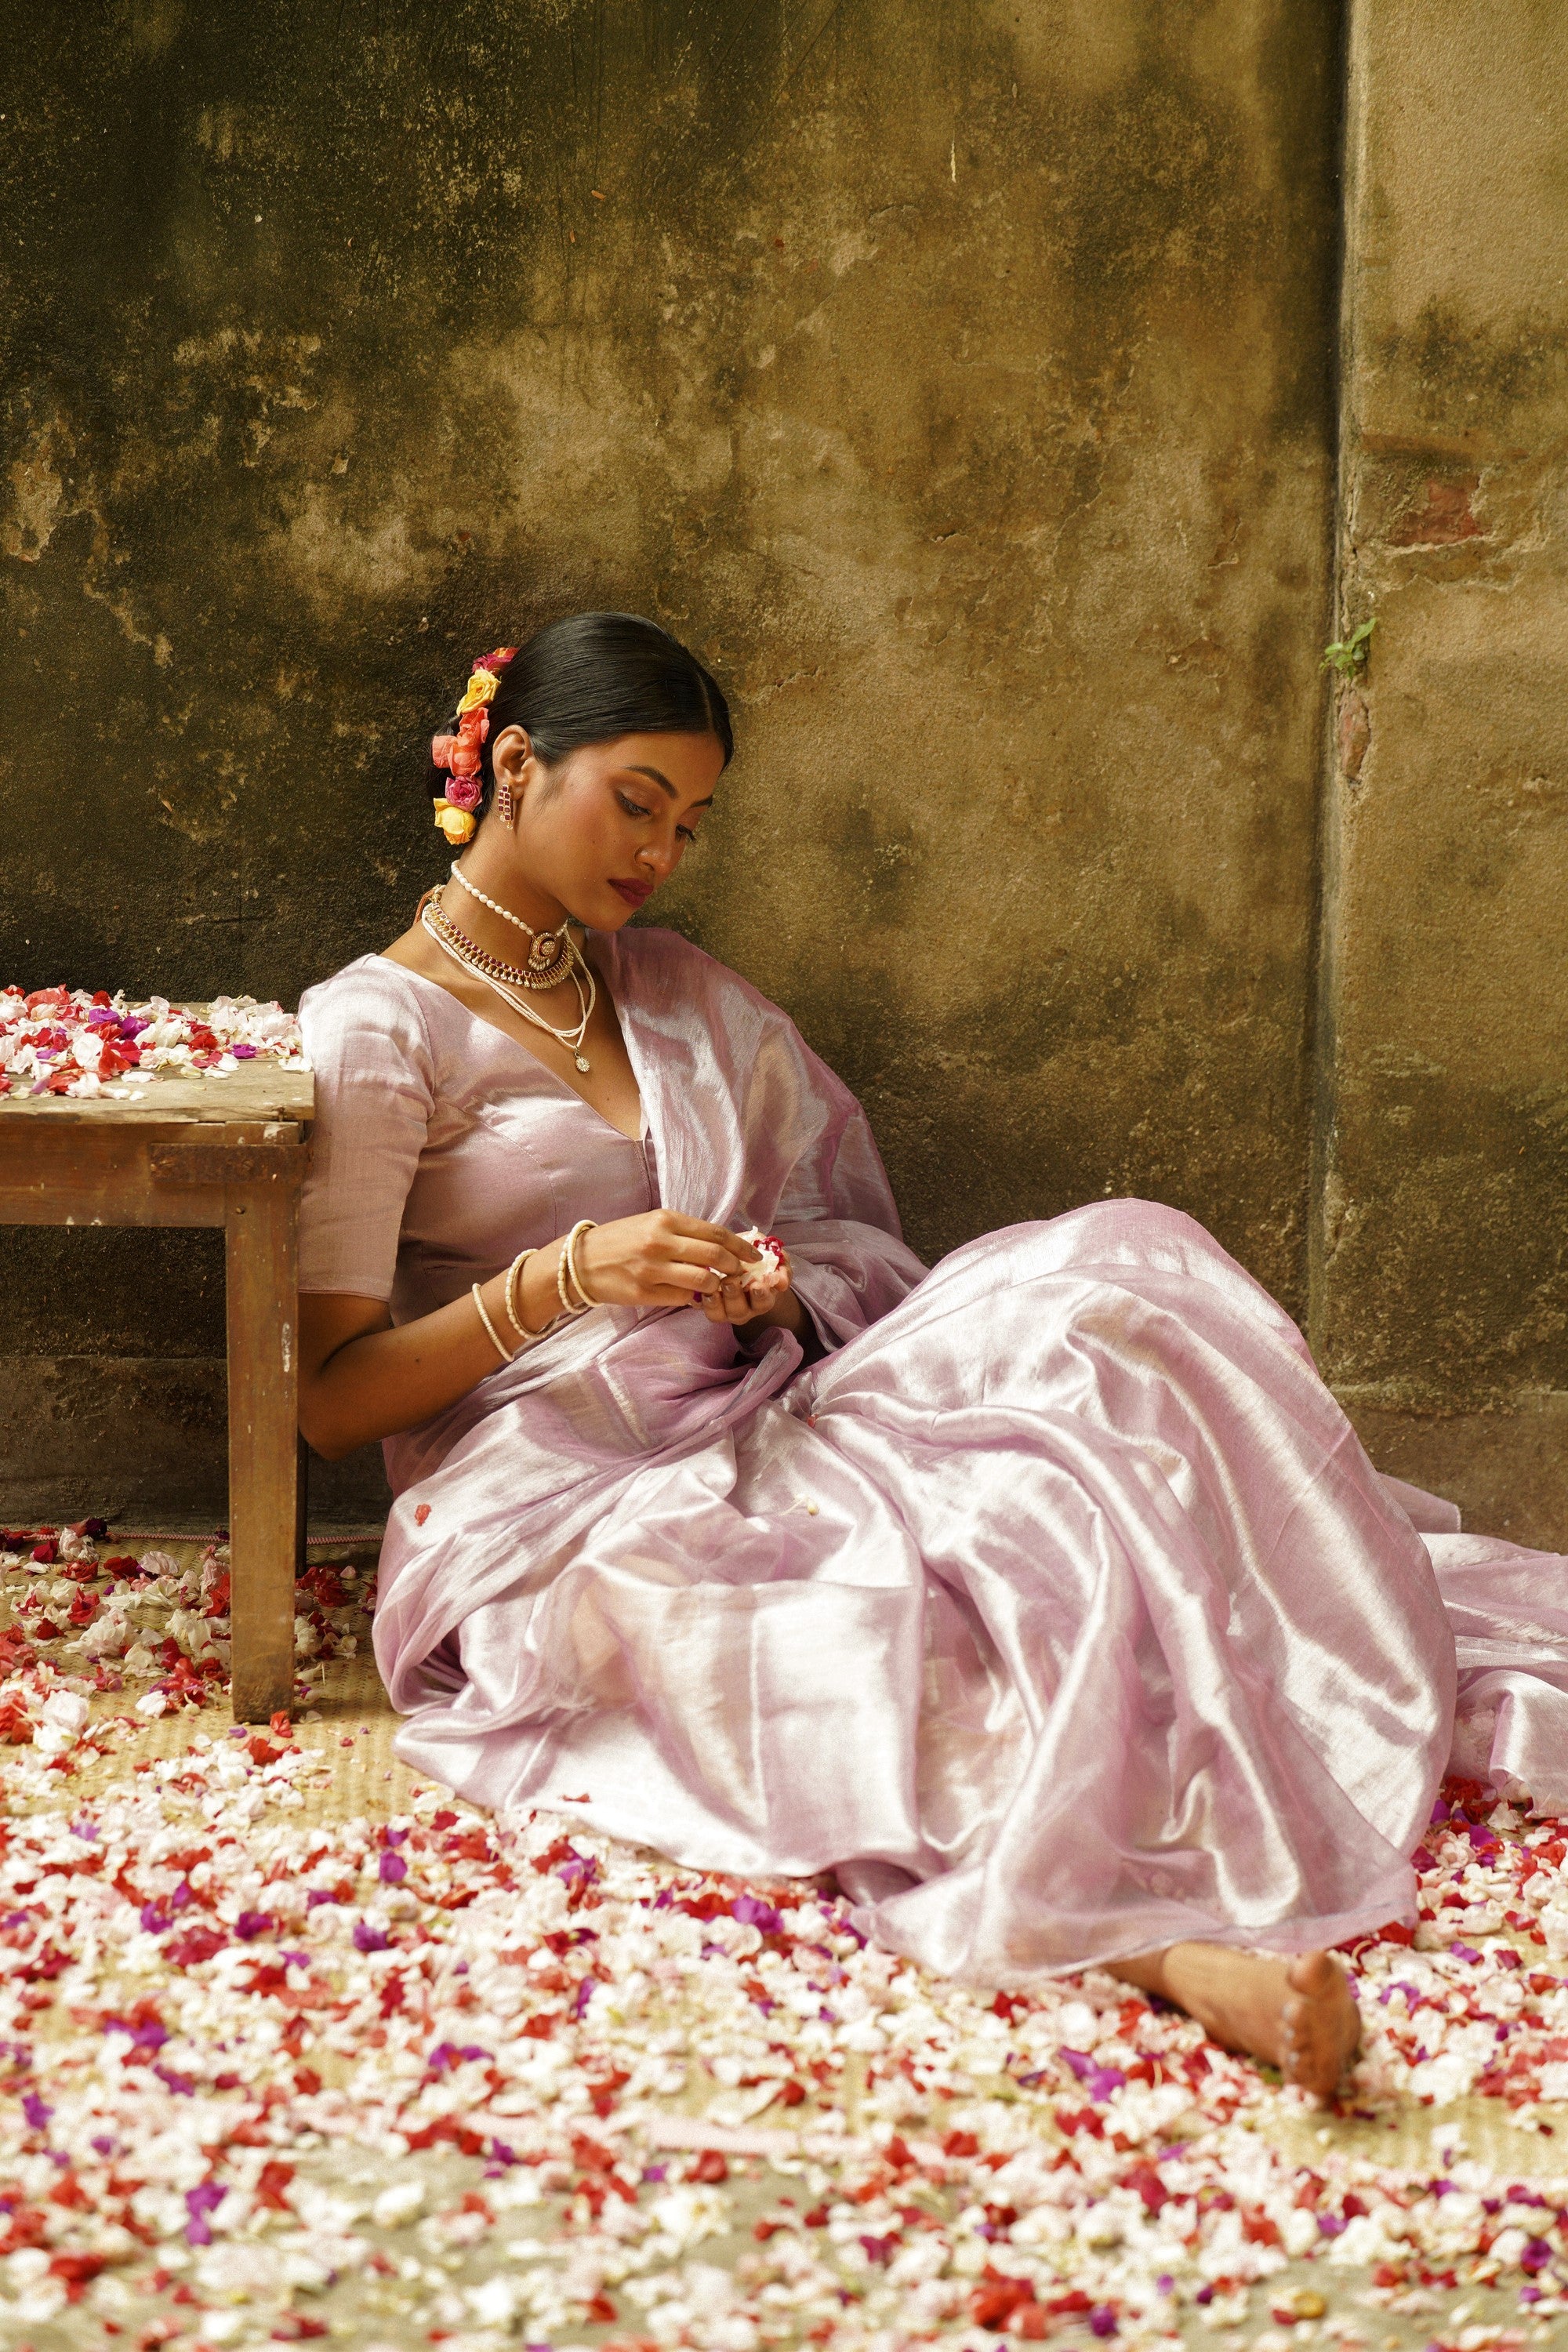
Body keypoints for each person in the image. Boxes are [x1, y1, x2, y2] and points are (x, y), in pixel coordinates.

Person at [297, 612, 1568, 2104]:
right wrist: (565, 1278)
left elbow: (831, 1230)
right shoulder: (380, 1030)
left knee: (1104, 1301)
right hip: (543, 1491)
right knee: (827, 1631)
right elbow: (330, 1401)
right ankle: (1165, 1954)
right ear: (516, 764)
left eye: (689, 824)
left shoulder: (672, 995)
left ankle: (1200, 1802)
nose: (658, 853)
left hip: (755, 1398)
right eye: (636, 800)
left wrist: (770, 1294)